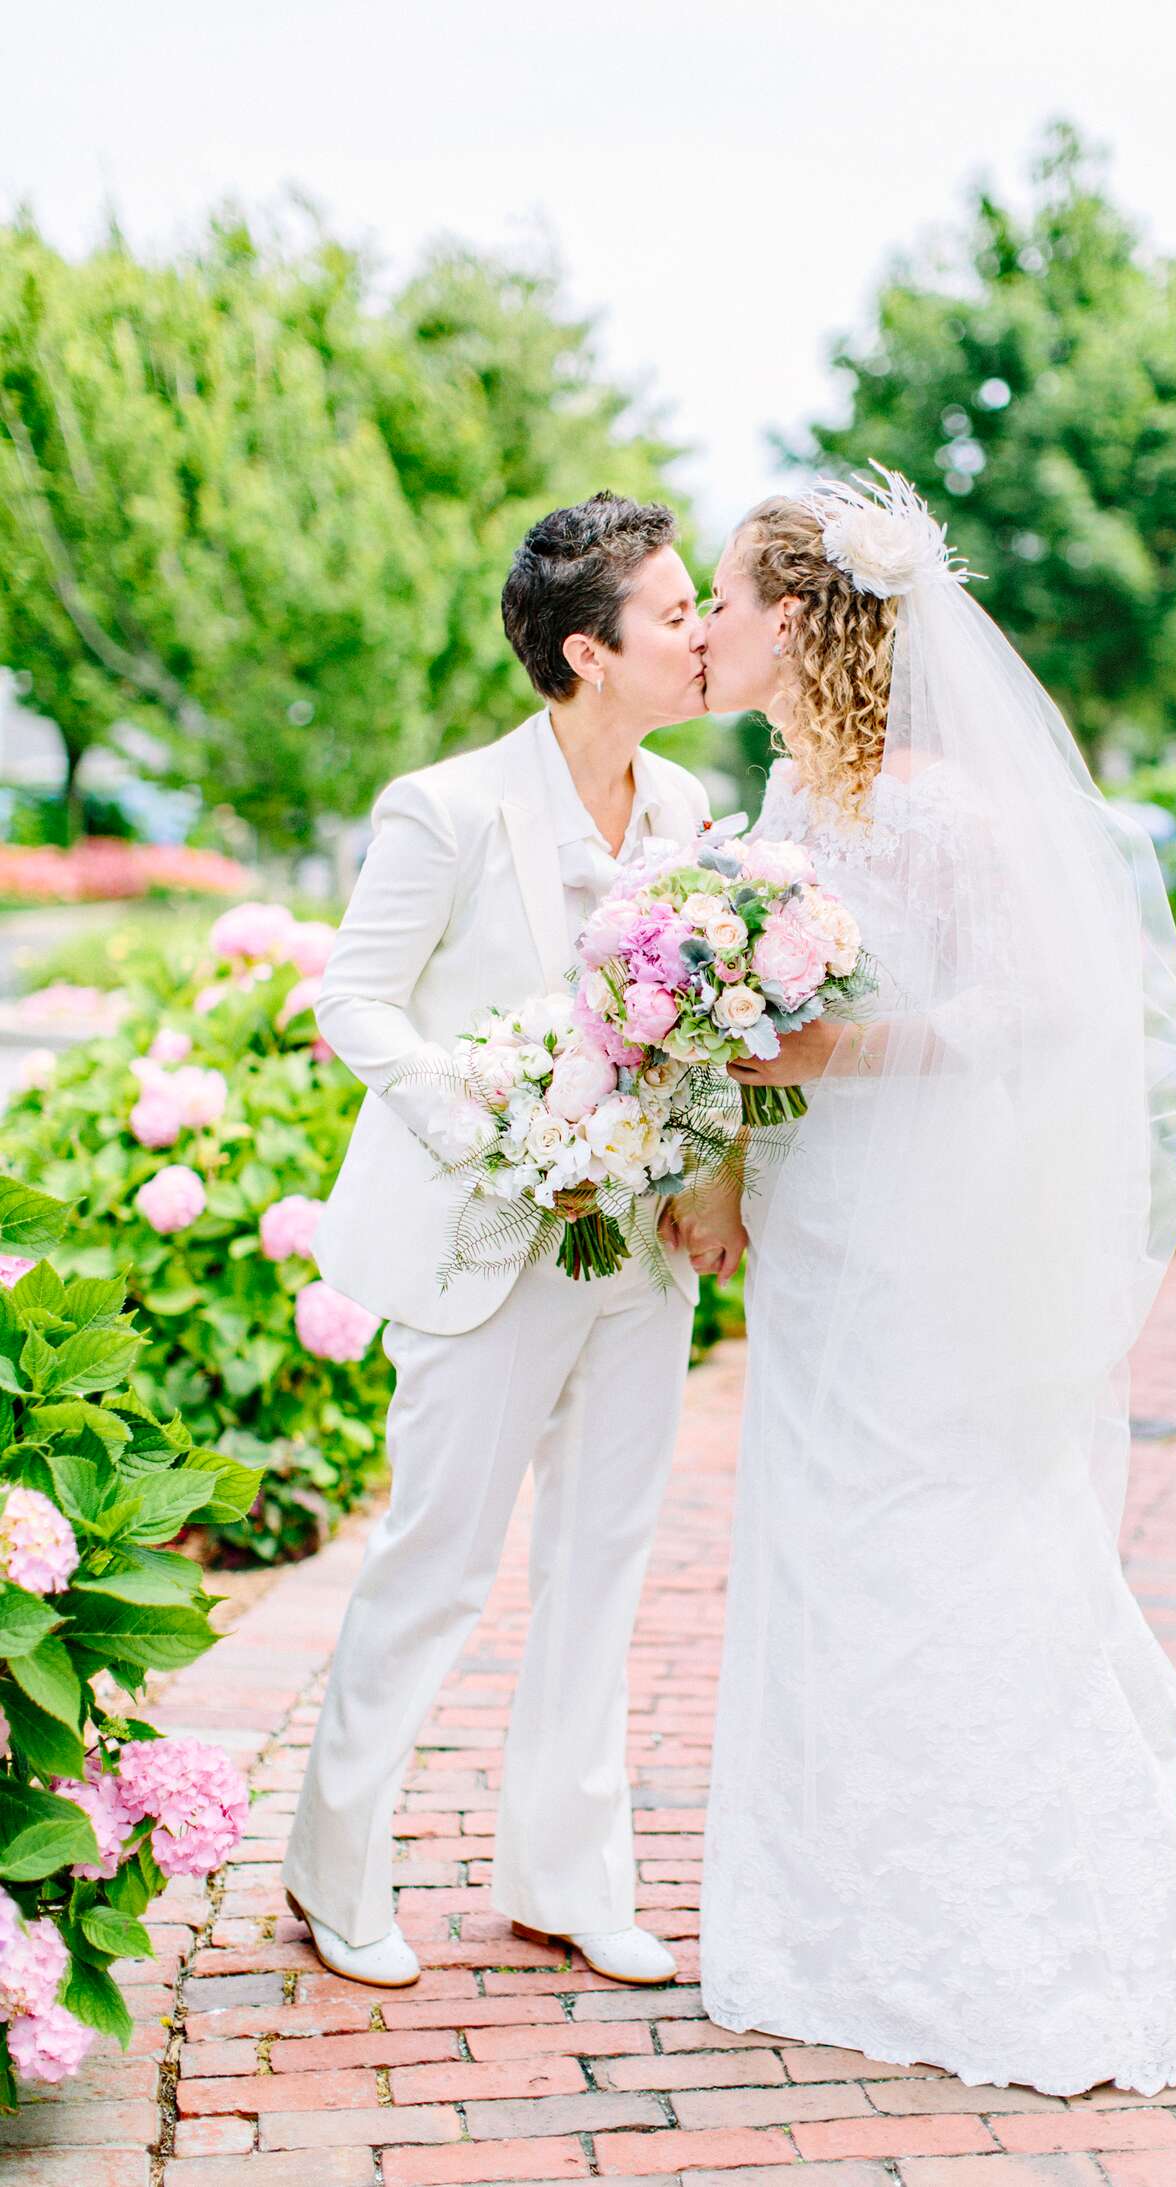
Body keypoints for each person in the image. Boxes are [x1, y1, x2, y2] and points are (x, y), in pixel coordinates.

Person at [684, 468, 1176, 2096]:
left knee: (934, 1527)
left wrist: (828, 1048)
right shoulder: (790, 811)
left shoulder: (935, 803)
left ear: (797, 617)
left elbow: (1049, 1015)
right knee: (823, 1534)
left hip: (920, 1230)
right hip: (819, 1224)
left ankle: (1004, 1915)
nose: (710, 624)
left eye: (724, 597)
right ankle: (841, 1908)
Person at [282, 491, 728, 1989]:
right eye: (675, 613)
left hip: (639, 1251)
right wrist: (486, 1118)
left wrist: (699, 1168)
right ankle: (335, 1875)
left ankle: (566, 1878)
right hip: (485, 1247)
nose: (702, 633)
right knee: (438, 1567)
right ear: (589, 651)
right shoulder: (449, 806)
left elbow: (697, 1029)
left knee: (602, 1563)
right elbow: (355, 1000)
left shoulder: (684, 815)